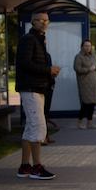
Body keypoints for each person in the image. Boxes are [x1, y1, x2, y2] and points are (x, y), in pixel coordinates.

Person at [15, 11, 61, 180]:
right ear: (32, 22)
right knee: (38, 127)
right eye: (41, 20)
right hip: (30, 88)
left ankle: (25, 166)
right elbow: (25, 63)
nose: (44, 23)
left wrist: (50, 74)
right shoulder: (28, 39)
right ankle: (36, 167)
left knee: (30, 128)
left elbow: (34, 65)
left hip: (37, 87)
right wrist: (48, 70)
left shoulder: (38, 39)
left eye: (47, 20)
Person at [74, 39, 96, 129]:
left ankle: (90, 122)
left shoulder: (93, 57)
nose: (87, 48)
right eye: (86, 46)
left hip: (93, 83)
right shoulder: (79, 57)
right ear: (82, 47)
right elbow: (77, 68)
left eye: (89, 46)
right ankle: (80, 121)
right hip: (84, 84)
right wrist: (88, 69)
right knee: (85, 103)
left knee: (92, 103)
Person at [42, 39, 56, 145]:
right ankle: (41, 137)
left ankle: (45, 135)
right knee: (39, 114)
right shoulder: (36, 58)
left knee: (45, 113)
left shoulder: (47, 55)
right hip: (39, 87)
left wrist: (52, 83)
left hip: (48, 87)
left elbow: (50, 70)